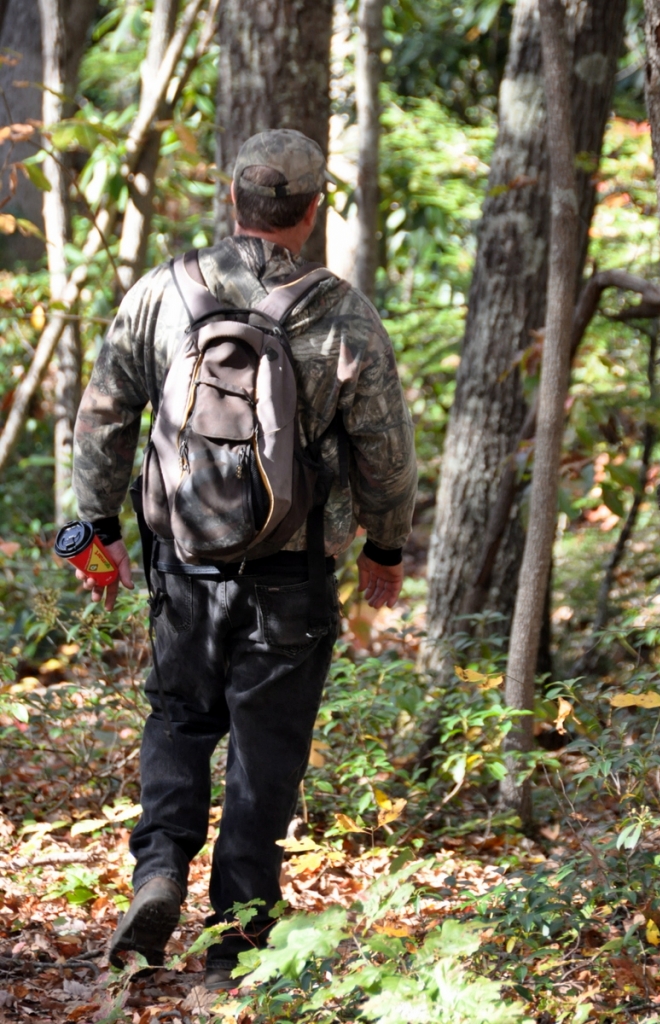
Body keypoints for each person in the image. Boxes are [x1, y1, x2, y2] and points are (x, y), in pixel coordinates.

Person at [71, 128, 417, 990]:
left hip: (183, 563)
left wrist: (96, 521)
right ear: (312, 210)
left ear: (235, 199)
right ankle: (236, 939)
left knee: (180, 717)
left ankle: (157, 872)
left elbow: (106, 408)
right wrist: (385, 545)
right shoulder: (341, 312)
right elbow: (385, 447)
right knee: (267, 750)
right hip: (291, 574)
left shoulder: (165, 290)